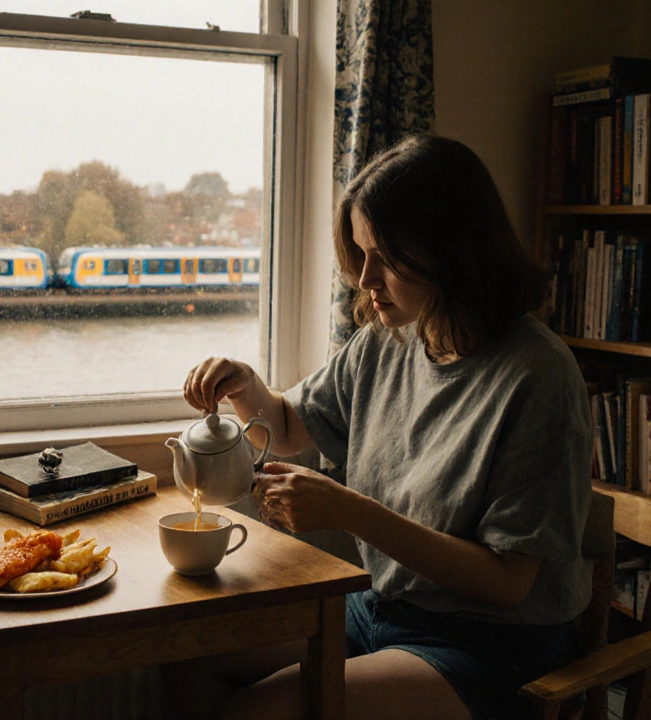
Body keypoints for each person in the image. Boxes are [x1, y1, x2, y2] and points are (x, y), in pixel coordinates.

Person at [176, 133, 593, 720]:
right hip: (380, 608)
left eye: (386, 257)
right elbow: (294, 427)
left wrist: (348, 510)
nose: (364, 278)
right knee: (191, 657)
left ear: (451, 251)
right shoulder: (388, 340)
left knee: (256, 712)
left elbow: (507, 582)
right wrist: (247, 387)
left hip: (493, 643)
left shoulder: (538, 377)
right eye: (360, 252)